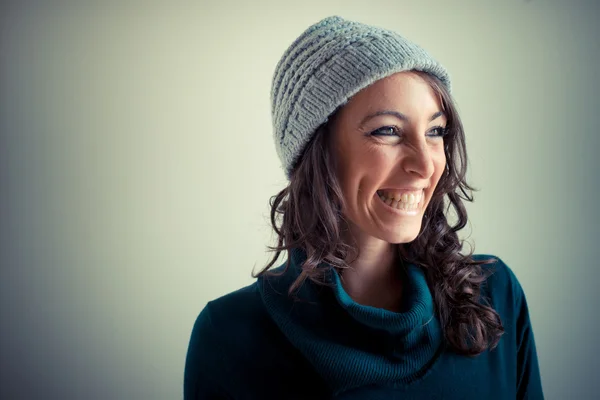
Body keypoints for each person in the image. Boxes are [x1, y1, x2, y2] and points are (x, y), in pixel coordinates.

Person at [184, 15, 544, 399]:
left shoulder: (494, 297)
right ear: (316, 151)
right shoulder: (230, 336)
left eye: (435, 131)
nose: (425, 166)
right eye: (388, 130)